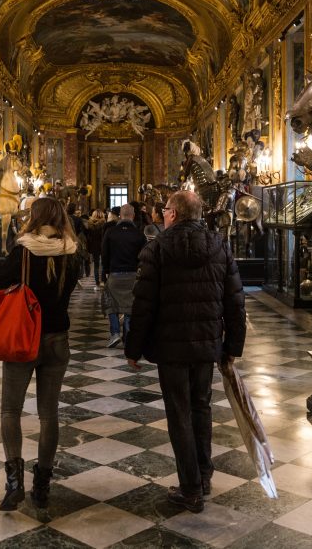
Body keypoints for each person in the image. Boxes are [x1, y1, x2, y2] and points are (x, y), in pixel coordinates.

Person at [126, 190, 246, 513]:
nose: (162, 214)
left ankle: (191, 488)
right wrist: (232, 346)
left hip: (172, 347)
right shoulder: (220, 247)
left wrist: (133, 347)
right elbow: (236, 301)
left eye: (165, 209)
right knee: (201, 407)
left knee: (179, 412)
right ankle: (203, 476)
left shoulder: (158, 249)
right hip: (207, 344)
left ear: (174, 214)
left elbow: (143, 305)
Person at [0, 197, 82, 512]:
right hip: (57, 338)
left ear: (35, 216)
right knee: (49, 414)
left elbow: (0, 283)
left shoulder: (23, 250)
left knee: (10, 411)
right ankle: (41, 485)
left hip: (24, 337)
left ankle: (14, 482)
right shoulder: (72, 252)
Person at [102, 203, 146, 348]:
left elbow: (105, 254)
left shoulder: (110, 232)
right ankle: (128, 334)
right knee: (130, 305)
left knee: (111, 304)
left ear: (120, 215)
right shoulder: (139, 234)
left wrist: (105, 273)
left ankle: (115, 333)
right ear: (133, 216)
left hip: (115, 273)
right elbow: (144, 257)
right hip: (133, 274)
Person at [86, 209, 106, 286]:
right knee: (104, 263)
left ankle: (97, 281)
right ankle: (103, 280)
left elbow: (88, 237)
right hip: (102, 245)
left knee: (96, 265)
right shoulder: (104, 224)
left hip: (94, 246)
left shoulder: (89, 224)